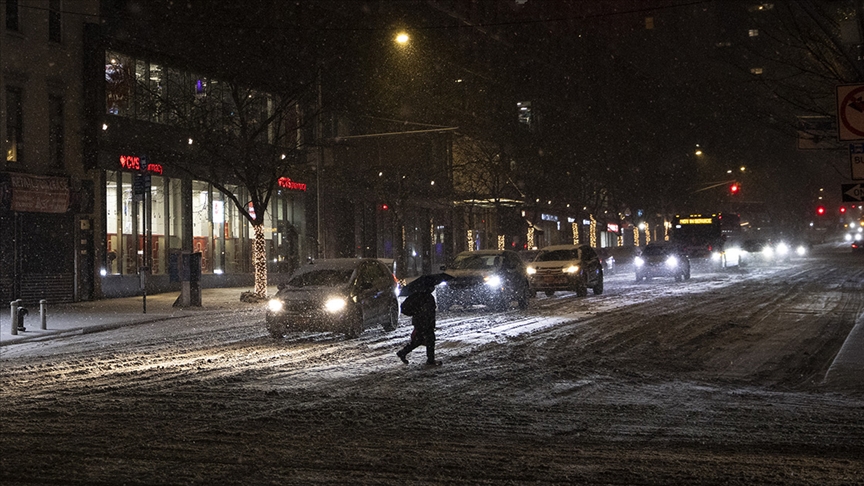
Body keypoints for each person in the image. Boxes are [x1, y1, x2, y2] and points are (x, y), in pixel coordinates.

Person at [396, 289, 441, 366]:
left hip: (419, 321)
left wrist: (416, 313)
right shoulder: (427, 297)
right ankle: (430, 360)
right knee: (430, 340)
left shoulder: (415, 296)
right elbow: (430, 312)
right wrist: (419, 312)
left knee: (419, 339)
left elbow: (404, 308)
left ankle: (403, 352)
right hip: (425, 322)